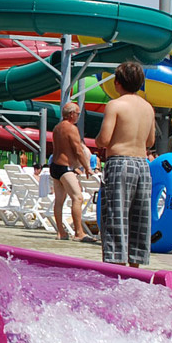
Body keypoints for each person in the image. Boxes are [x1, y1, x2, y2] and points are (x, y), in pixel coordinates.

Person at [95, 61, 156, 268]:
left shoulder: (116, 105)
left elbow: (103, 140)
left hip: (120, 162)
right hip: (142, 164)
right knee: (139, 218)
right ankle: (135, 267)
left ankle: (116, 267)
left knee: (116, 216)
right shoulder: (148, 108)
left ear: (117, 82)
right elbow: (150, 142)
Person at [48, 102, 94, 242]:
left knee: (59, 201)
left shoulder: (57, 128)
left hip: (55, 166)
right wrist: (87, 167)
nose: (79, 116)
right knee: (77, 197)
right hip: (65, 167)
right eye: (78, 114)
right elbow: (78, 150)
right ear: (71, 114)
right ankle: (79, 233)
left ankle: (61, 232)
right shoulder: (71, 128)